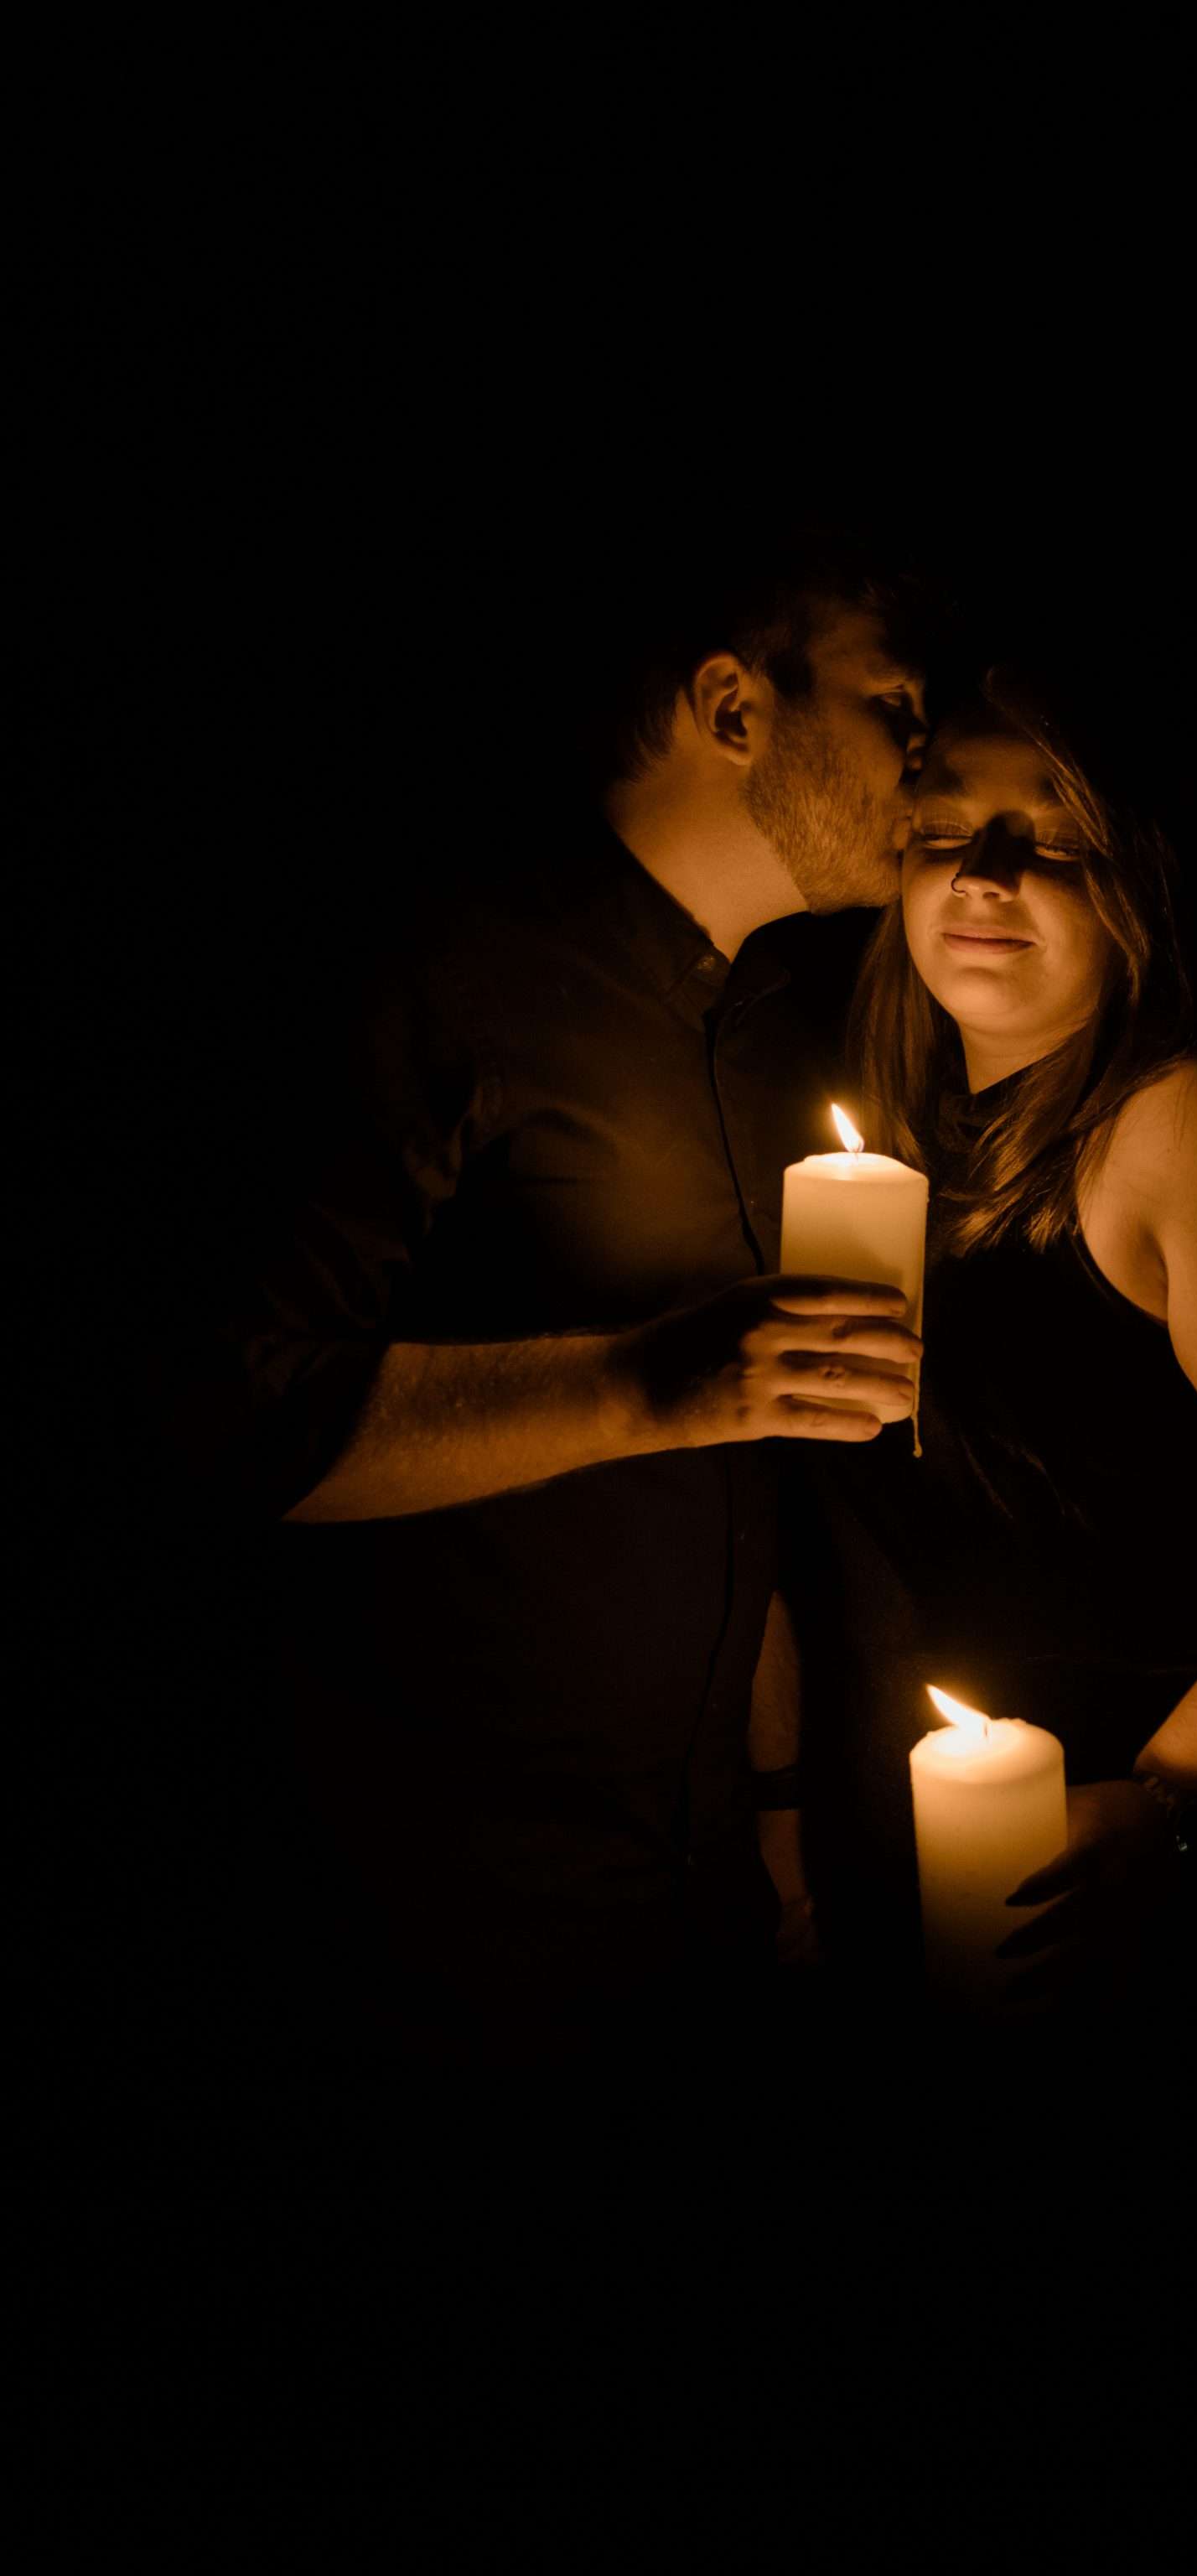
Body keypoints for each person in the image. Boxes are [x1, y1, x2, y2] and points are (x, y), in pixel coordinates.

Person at [158, 523, 940, 2068]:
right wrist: (646, 1386)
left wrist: (778, 1809)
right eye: (893, 704)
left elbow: (748, 1491)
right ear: (734, 707)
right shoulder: (445, 972)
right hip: (434, 1925)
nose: (925, 750)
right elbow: (222, 1410)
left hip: (700, 1896)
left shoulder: (777, 1025)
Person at [795, 660, 1197, 2017]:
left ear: (1140, 880)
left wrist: (1173, 1804)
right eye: (945, 829)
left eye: (1057, 837)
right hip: (926, 1828)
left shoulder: (1178, 1126)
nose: (985, 874)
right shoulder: (895, 1151)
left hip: (1134, 1856)